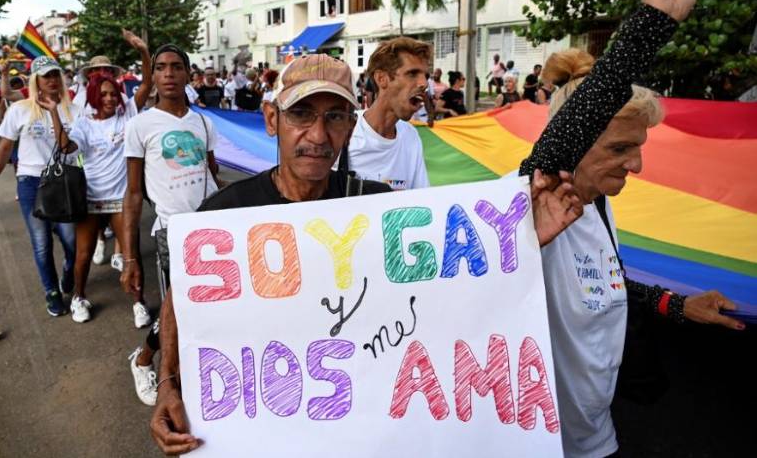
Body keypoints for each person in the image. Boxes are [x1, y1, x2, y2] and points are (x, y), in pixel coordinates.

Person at [148, 55, 585, 455]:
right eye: (301, 114)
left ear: (349, 126)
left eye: (334, 117)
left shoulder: (379, 209)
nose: (318, 136)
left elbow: (446, 287)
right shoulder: (227, 215)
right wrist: (169, 384)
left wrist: (521, 242)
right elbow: (180, 304)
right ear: (271, 119)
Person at [517, 0, 743, 458]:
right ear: (574, 143)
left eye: (638, 147)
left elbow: (609, 285)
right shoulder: (529, 207)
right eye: (619, 148)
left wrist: (680, 307)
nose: (636, 164)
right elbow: (566, 134)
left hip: (600, 438)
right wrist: (653, 22)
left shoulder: (596, 209)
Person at [120, 44, 222, 406]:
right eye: (160, 67)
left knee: (207, 307)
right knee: (176, 309)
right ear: (153, 76)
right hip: (171, 233)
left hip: (210, 230)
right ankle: (146, 360)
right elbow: (133, 195)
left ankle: (191, 370)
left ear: (187, 74)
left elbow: (211, 175)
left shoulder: (204, 123)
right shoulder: (140, 125)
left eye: (176, 67)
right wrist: (130, 258)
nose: (168, 74)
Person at [38, 32, 152, 325]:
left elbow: (147, 85)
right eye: (104, 94)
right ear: (93, 96)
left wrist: (143, 52)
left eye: (113, 93)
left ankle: (139, 303)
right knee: (83, 255)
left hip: (121, 200)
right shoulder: (84, 123)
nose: (111, 98)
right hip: (89, 199)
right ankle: (79, 297)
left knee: (132, 253)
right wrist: (53, 114)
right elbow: (66, 147)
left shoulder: (127, 113)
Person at [0, 56, 83, 316]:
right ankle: (51, 291)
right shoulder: (20, 109)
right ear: (36, 80)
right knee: (41, 243)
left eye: (54, 75)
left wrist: (53, 112)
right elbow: (5, 147)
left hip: (63, 181)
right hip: (31, 182)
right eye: (45, 76)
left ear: (60, 78)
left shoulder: (74, 109)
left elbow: (66, 147)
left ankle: (69, 271)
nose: (50, 80)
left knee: (73, 240)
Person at [348, 38, 431, 189]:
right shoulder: (345, 132)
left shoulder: (410, 136)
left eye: (426, 76)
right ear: (382, 79)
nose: (424, 84)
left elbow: (421, 199)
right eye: (412, 74)